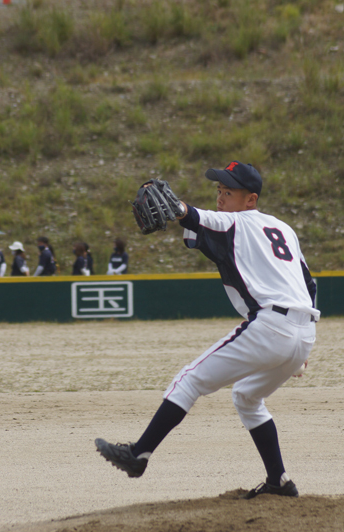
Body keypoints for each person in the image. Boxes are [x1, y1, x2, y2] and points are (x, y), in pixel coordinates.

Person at [95, 161, 319, 500]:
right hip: (303, 332)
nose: (220, 197)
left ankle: (138, 454)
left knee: (189, 380)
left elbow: (194, 217)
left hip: (271, 327)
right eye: (219, 190)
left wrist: (178, 208)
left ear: (251, 200)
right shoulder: (284, 229)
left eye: (228, 192)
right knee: (247, 397)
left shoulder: (234, 221)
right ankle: (279, 481)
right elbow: (309, 285)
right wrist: (301, 347)